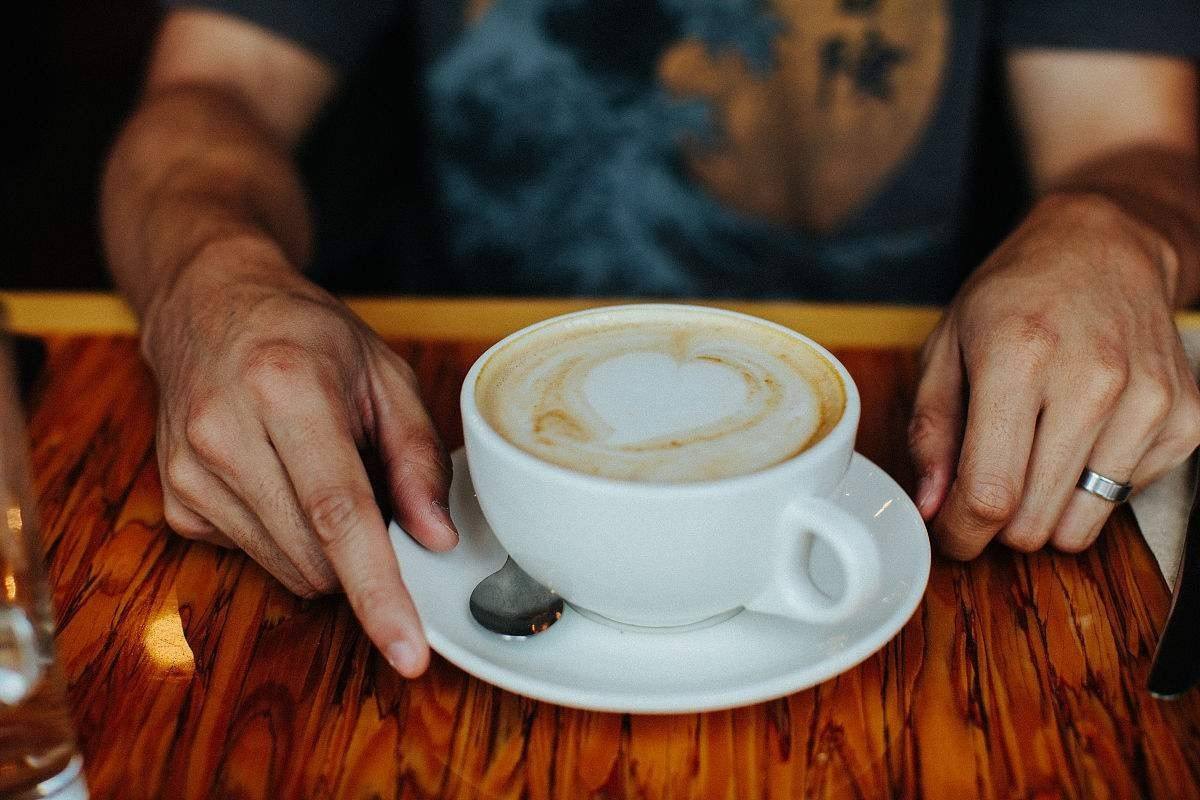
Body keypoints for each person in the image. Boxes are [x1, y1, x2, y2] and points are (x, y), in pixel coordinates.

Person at [101, 1, 1200, 678]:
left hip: (917, 419)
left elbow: (1132, 142)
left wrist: (1116, 229)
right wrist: (211, 275)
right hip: (440, 414)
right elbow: (210, 94)